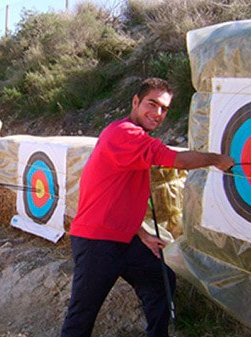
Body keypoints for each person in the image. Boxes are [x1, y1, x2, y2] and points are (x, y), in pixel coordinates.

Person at [60, 78, 235, 337]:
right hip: (97, 242)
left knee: (160, 281)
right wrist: (216, 159)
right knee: (81, 318)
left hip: (124, 239)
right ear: (135, 102)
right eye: (152, 104)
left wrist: (142, 234)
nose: (158, 113)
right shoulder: (125, 133)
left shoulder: (130, 137)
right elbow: (177, 160)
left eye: (164, 109)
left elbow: (117, 198)